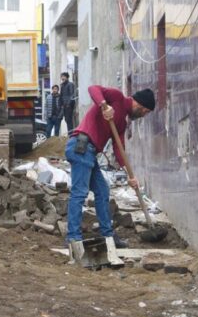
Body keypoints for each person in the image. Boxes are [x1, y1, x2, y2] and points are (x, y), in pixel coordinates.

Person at [65, 85, 155, 263]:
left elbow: (119, 148)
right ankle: (73, 238)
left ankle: (108, 236)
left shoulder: (121, 122)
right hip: (81, 146)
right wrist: (104, 105)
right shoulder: (117, 98)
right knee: (80, 193)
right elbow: (92, 88)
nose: (144, 115)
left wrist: (130, 175)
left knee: (102, 191)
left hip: (90, 153)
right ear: (140, 105)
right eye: (145, 111)